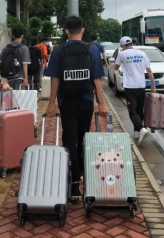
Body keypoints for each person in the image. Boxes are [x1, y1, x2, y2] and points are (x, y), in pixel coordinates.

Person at [46, 16, 108, 199]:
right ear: (83, 30)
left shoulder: (59, 50)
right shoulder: (92, 50)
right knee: (83, 138)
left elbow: (55, 79)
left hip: (67, 101)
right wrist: (101, 103)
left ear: (66, 31)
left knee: (69, 140)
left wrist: (51, 103)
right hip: (86, 100)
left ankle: (74, 183)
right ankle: (82, 175)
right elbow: (96, 79)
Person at [114, 36, 157, 146]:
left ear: (123, 45)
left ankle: (141, 129)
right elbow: (149, 70)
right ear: (132, 43)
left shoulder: (122, 54)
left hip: (129, 87)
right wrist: (153, 84)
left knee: (132, 111)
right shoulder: (142, 54)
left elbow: (116, 68)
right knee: (139, 109)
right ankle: (137, 131)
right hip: (141, 86)